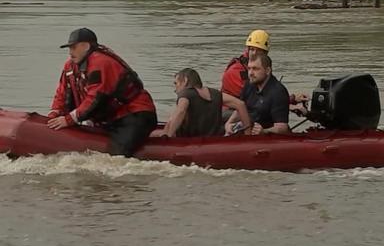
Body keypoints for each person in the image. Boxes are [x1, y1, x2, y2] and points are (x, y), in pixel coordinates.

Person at [47, 28, 157, 156]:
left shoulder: (101, 63)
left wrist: (69, 119)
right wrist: (54, 114)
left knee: (117, 156)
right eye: (69, 48)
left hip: (134, 115)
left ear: (86, 46)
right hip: (109, 118)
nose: (70, 52)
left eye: (73, 47)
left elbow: (96, 98)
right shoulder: (70, 67)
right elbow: (62, 93)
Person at [151, 68, 251, 138]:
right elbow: (240, 104)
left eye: (176, 84)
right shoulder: (216, 94)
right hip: (213, 140)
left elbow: (180, 111)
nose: (175, 89)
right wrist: (248, 133)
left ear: (185, 81)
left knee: (152, 135)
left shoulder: (186, 94)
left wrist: (167, 136)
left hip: (190, 141)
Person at [225, 52, 290, 135]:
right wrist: (229, 123)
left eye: (255, 69)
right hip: (247, 129)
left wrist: (265, 131)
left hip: (266, 138)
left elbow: (283, 127)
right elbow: (240, 109)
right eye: (249, 68)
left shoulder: (278, 92)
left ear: (267, 70)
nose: (251, 73)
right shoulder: (249, 84)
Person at [222, 29, 270, 98]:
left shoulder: (263, 67)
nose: (254, 53)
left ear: (265, 54)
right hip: (231, 107)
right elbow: (251, 97)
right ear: (247, 50)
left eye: (259, 50)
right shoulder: (235, 71)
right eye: (252, 49)